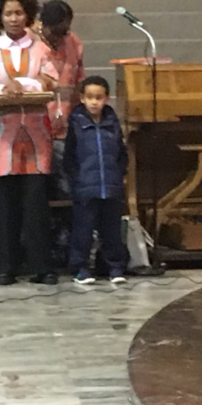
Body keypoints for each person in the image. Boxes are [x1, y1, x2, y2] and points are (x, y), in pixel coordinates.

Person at [0, 0, 59, 286]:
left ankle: (41, 266)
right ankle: (4, 267)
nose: (13, 19)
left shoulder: (41, 48)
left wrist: (24, 85)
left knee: (35, 203)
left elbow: (51, 80)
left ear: (28, 14)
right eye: (8, 13)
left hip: (35, 135)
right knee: (1, 204)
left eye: (19, 13)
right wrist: (1, 88)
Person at [64, 76, 128, 285]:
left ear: (106, 99)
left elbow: (121, 153)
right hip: (85, 186)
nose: (94, 102)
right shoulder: (76, 123)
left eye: (99, 98)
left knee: (111, 230)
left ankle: (115, 267)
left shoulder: (112, 123)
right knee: (83, 229)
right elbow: (69, 156)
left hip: (110, 185)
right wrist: (76, 180)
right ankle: (80, 268)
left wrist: (118, 175)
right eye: (90, 97)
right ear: (82, 98)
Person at [40, 0, 85, 197]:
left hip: (65, 129)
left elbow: (79, 82)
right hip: (37, 130)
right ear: (44, 25)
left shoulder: (73, 42)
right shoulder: (30, 45)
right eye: (56, 32)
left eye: (65, 31)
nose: (61, 38)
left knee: (69, 188)